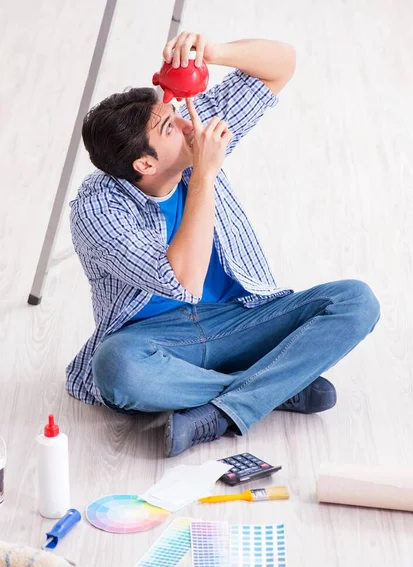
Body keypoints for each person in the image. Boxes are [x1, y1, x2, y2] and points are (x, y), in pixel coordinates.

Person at [66, 32, 380, 457]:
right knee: (117, 369)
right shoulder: (98, 210)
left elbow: (282, 65)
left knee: (356, 301)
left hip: (239, 320)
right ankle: (269, 387)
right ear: (145, 164)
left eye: (174, 112)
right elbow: (186, 281)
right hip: (156, 342)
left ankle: (225, 406)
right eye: (169, 126)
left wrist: (213, 54)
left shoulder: (190, 136)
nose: (185, 122)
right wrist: (207, 174)